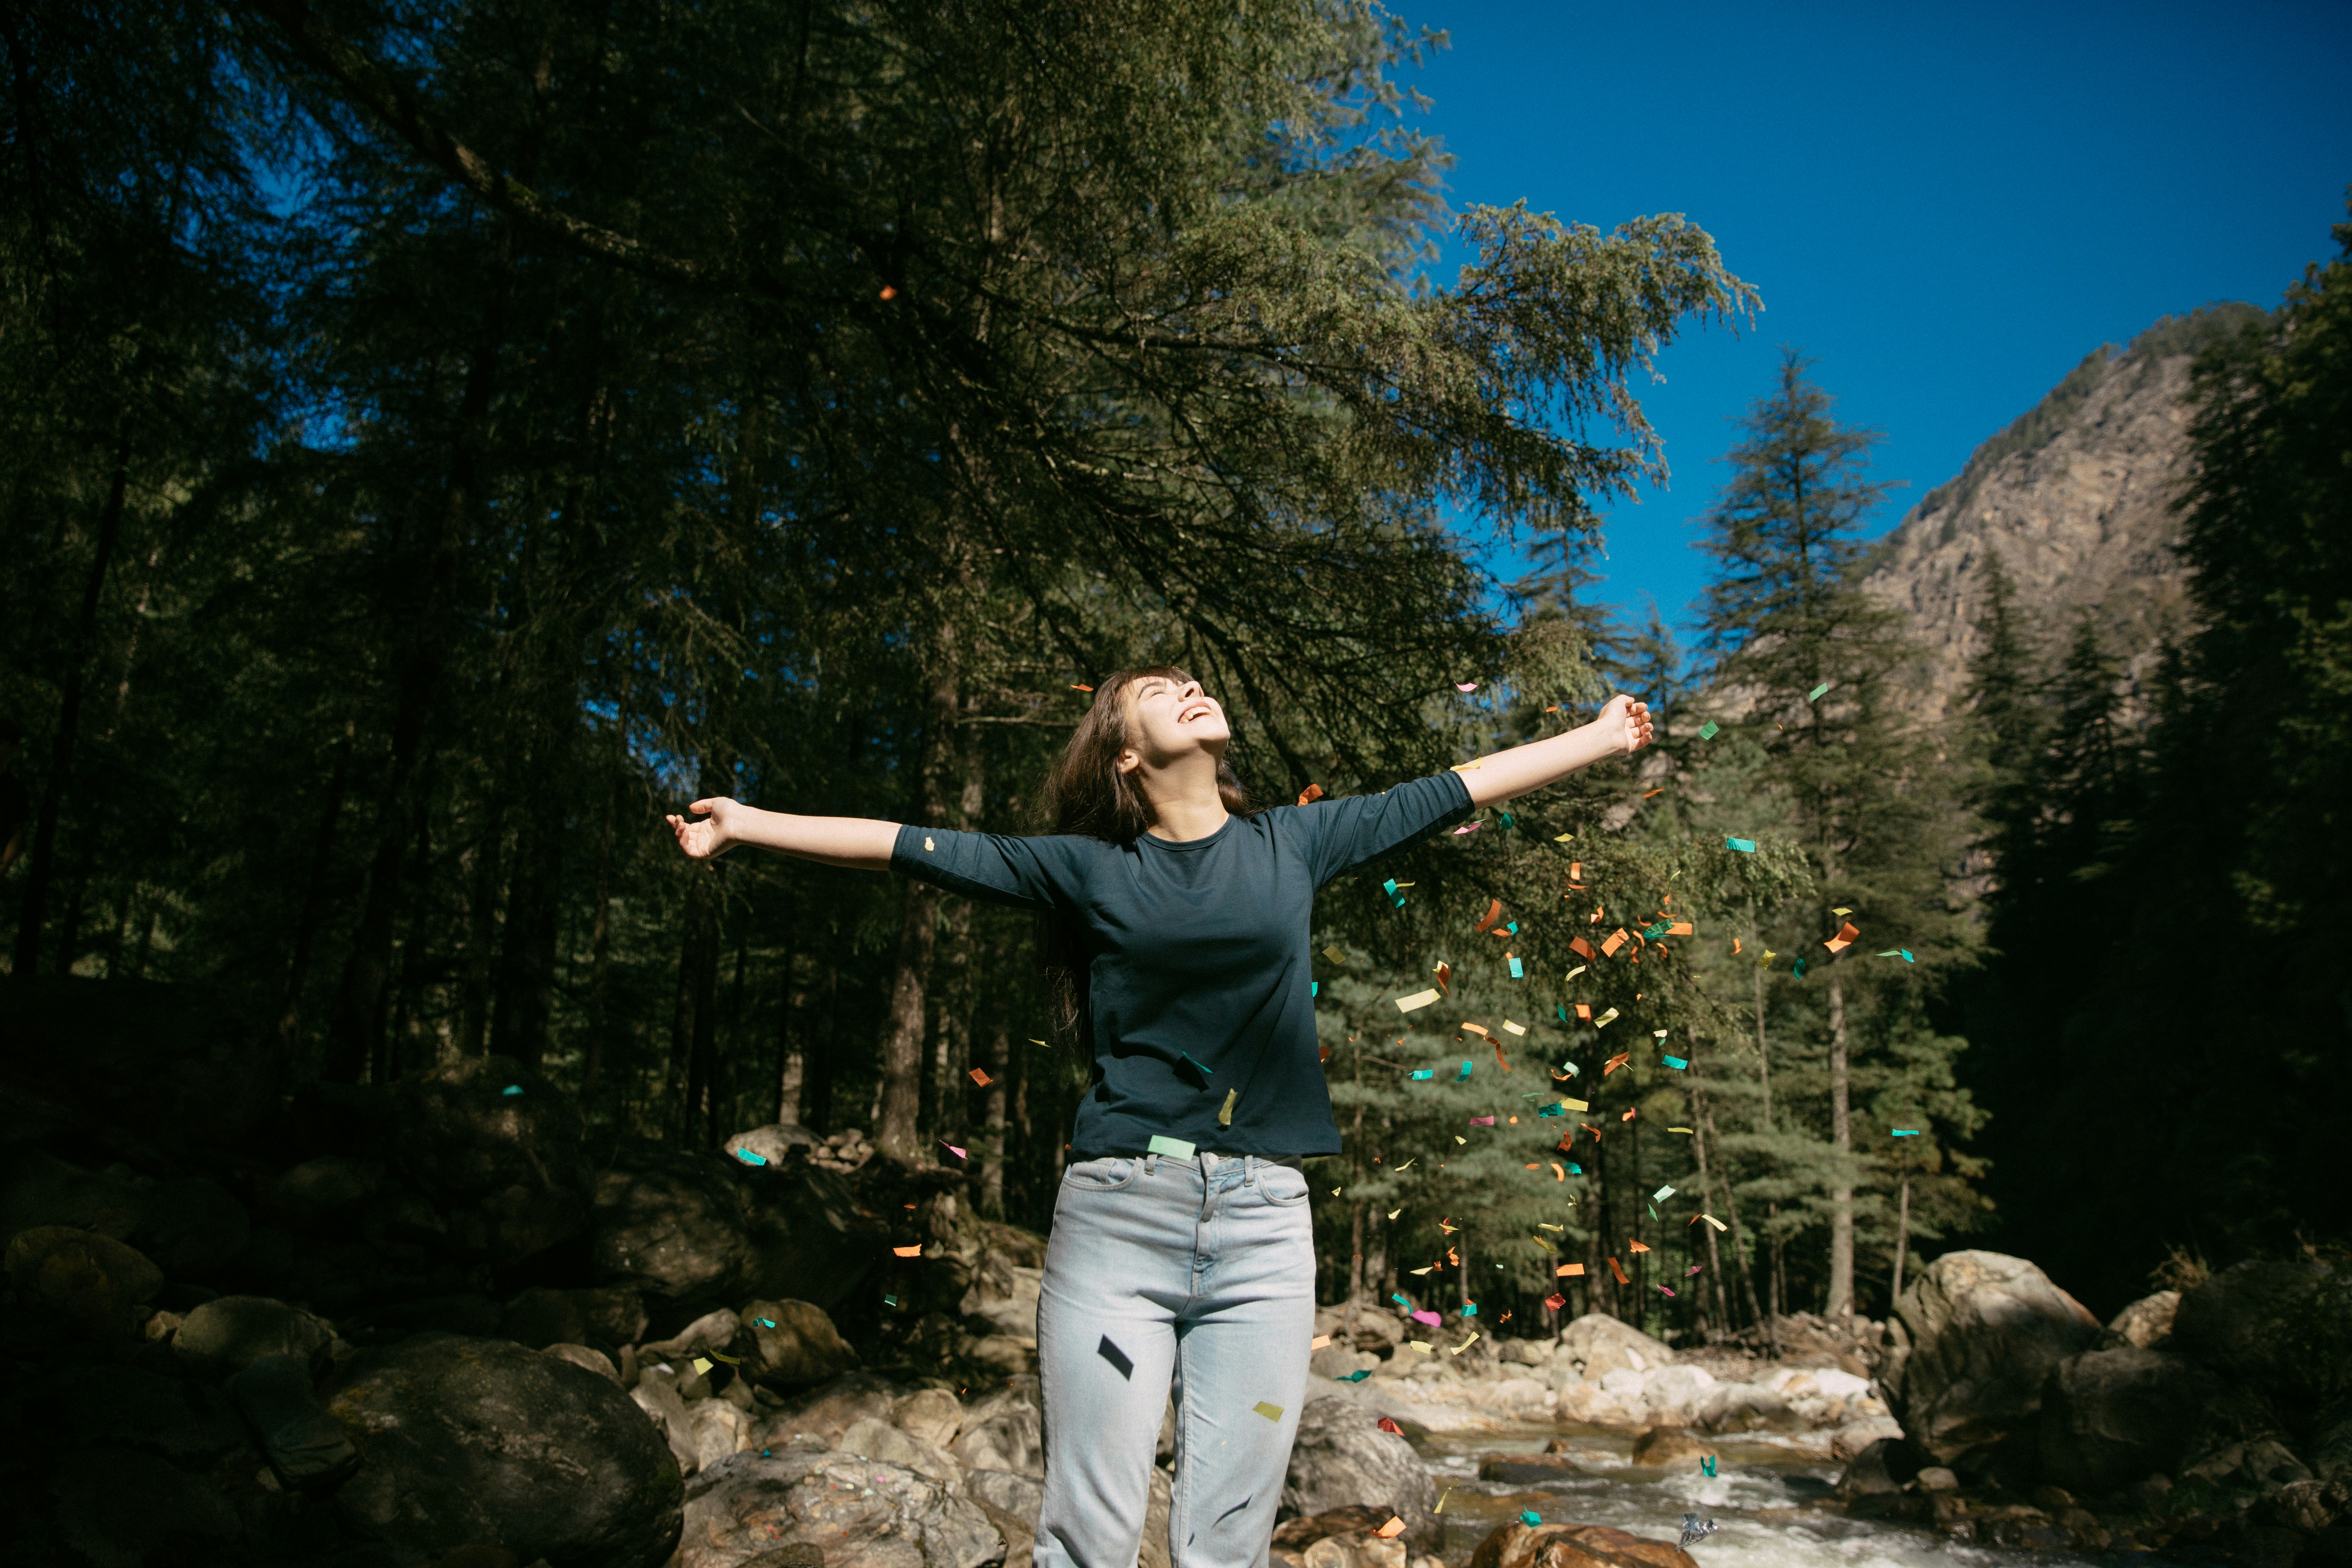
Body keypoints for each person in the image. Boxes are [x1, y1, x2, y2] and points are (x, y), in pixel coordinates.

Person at [668, 668, 1652, 1568]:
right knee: (1091, 1536)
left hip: (1265, 1230)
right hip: (1118, 1223)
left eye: (1190, 679)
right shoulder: (1089, 868)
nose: (1189, 687)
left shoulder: (1295, 843)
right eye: (1157, 691)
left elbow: (1457, 788)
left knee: (1229, 1543)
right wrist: (746, 823)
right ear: (1126, 756)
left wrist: (1602, 737)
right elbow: (907, 848)